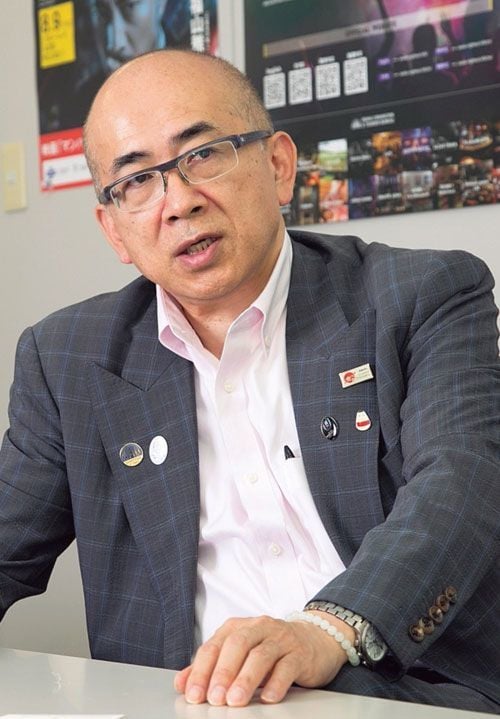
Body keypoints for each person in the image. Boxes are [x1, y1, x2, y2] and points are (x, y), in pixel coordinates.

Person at [1, 49, 499, 713]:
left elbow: (459, 483)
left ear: (279, 165)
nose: (178, 202)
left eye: (203, 154)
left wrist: (327, 628)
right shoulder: (67, 358)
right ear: (113, 228)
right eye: (137, 181)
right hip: (184, 701)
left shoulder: (421, 294)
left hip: (404, 688)